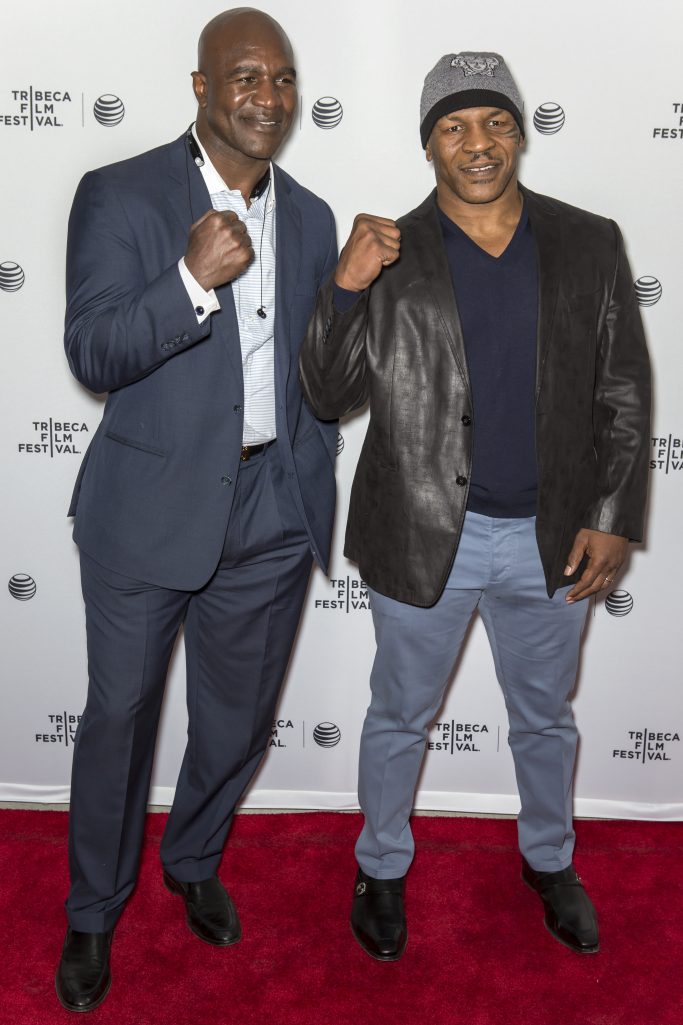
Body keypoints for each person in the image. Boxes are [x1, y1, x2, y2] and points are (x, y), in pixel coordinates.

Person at [300, 51, 650, 961]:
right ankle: (379, 867)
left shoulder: (589, 240)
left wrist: (613, 513)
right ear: (428, 146)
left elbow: (621, 388)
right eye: (453, 126)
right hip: (421, 533)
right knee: (397, 716)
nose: (477, 142)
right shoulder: (388, 250)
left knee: (544, 717)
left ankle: (549, 861)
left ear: (518, 132)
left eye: (494, 121)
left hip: (551, 537)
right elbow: (327, 395)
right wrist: (345, 285)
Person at [56, 8, 338, 1011]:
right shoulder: (121, 192)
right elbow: (93, 351)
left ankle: (192, 857)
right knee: (119, 721)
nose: (268, 95)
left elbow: (319, 372)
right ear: (201, 88)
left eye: (282, 78)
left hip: (270, 508)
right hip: (148, 508)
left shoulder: (310, 215)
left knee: (236, 721)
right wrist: (187, 280)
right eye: (245, 76)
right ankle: (93, 910)